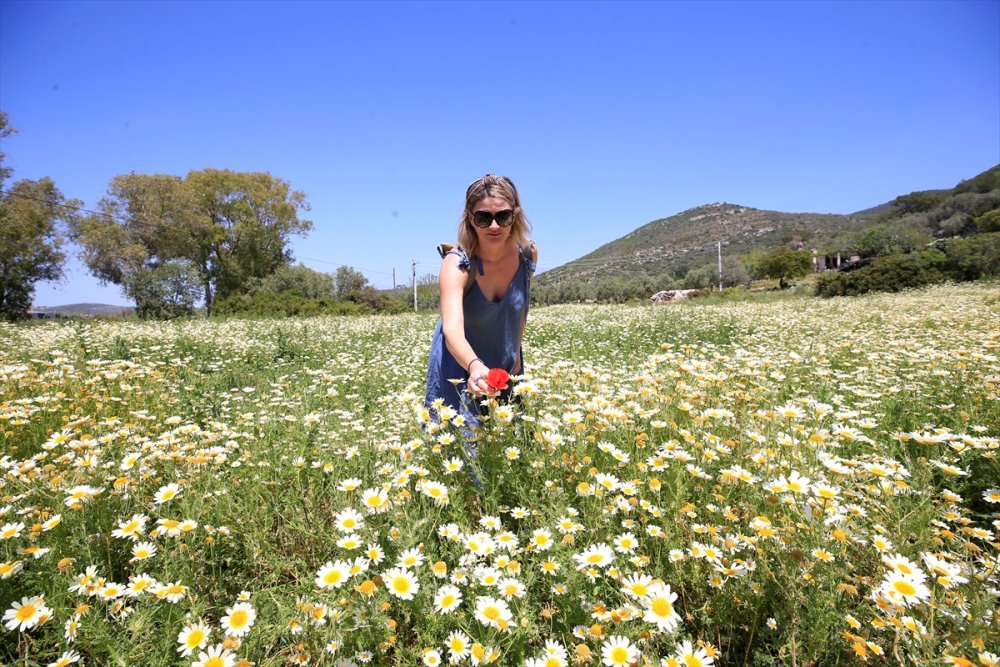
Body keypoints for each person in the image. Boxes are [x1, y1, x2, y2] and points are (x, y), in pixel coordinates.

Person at [425, 174, 537, 430]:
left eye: (503, 216)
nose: (494, 226)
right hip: (461, 365)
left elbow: (521, 309)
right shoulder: (457, 264)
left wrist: (516, 355)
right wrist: (474, 367)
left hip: (506, 365)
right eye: (483, 218)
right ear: (470, 219)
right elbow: (451, 329)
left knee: (509, 446)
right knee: (463, 449)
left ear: (515, 215)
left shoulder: (527, 253)